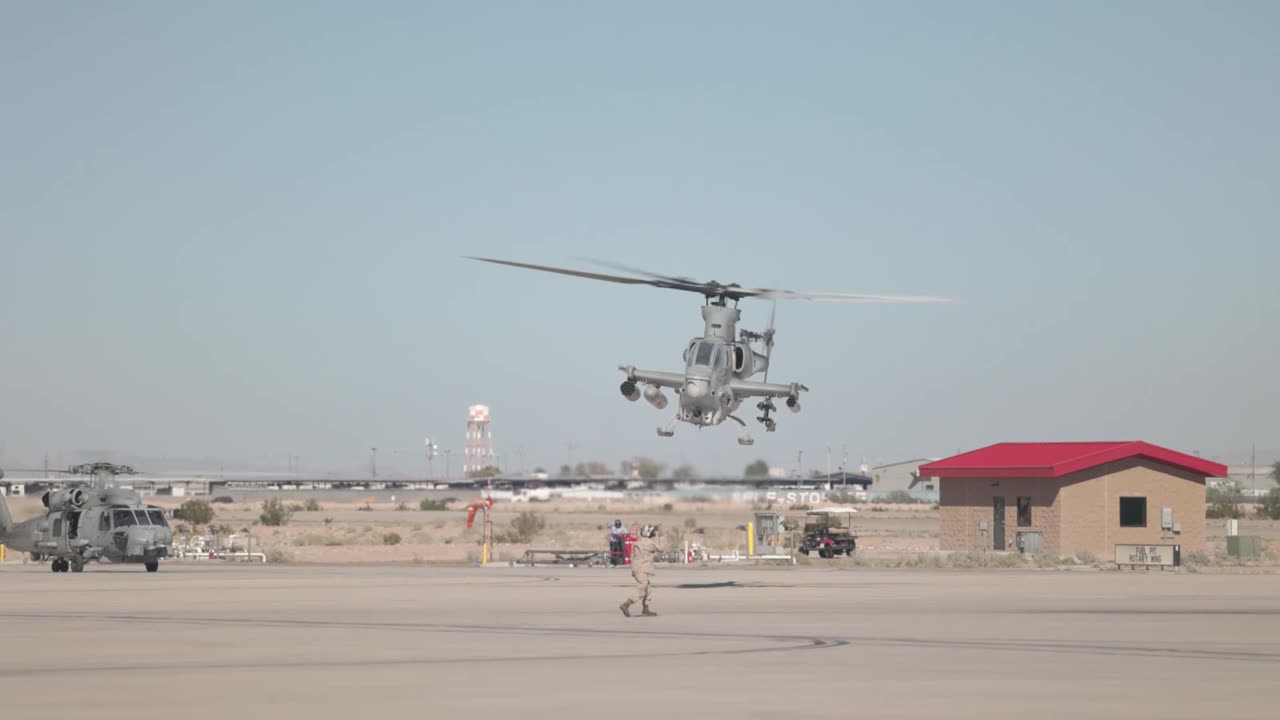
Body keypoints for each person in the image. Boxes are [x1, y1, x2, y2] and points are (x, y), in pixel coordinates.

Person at [620, 523, 660, 617]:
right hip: (642, 568)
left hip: (637, 568)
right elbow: (659, 548)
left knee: (648, 588)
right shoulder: (648, 542)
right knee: (642, 588)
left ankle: (645, 609)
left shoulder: (638, 541)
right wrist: (659, 535)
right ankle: (627, 604)